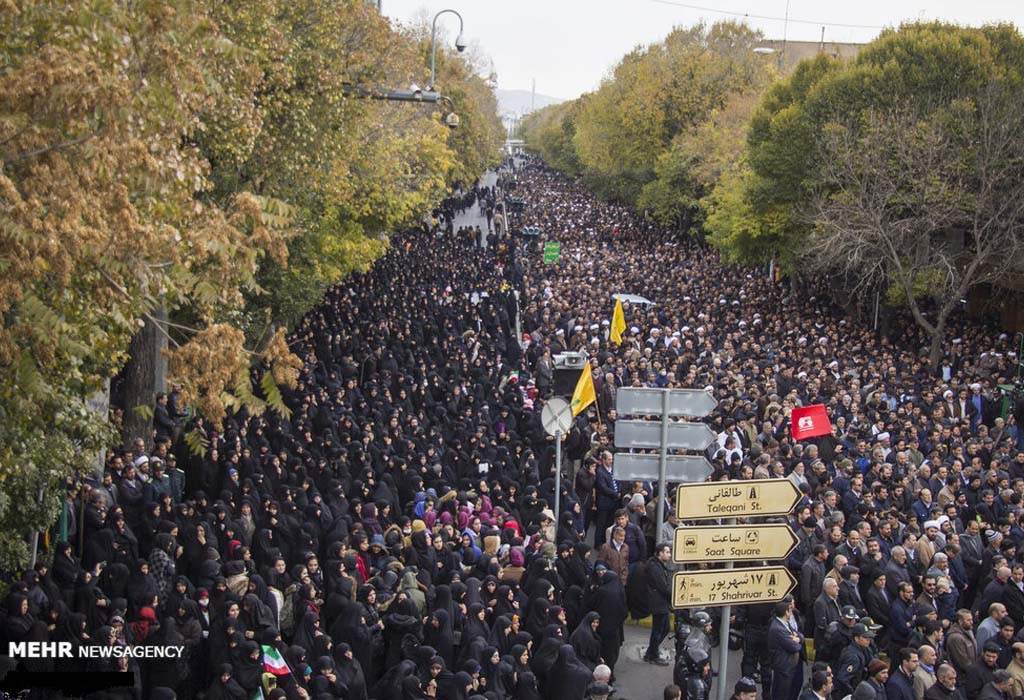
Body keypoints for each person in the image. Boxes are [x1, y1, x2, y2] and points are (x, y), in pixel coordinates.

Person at [643, 544, 673, 666]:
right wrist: (673, 596)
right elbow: (662, 586)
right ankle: (652, 655)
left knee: (664, 628)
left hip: (661, 603)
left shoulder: (658, 565)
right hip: (658, 603)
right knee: (658, 629)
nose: (669, 555)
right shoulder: (654, 567)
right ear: (659, 553)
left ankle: (651, 651)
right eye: (666, 552)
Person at [768, 601, 804, 700]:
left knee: (790, 690)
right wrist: (798, 640)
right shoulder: (778, 628)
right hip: (783, 666)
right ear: (786, 612)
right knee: (781, 694)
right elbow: (794, 647)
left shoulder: (785, 623)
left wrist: (798, 638)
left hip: (789, 665)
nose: (792, 611)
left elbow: (799, 634)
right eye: (790, 609)